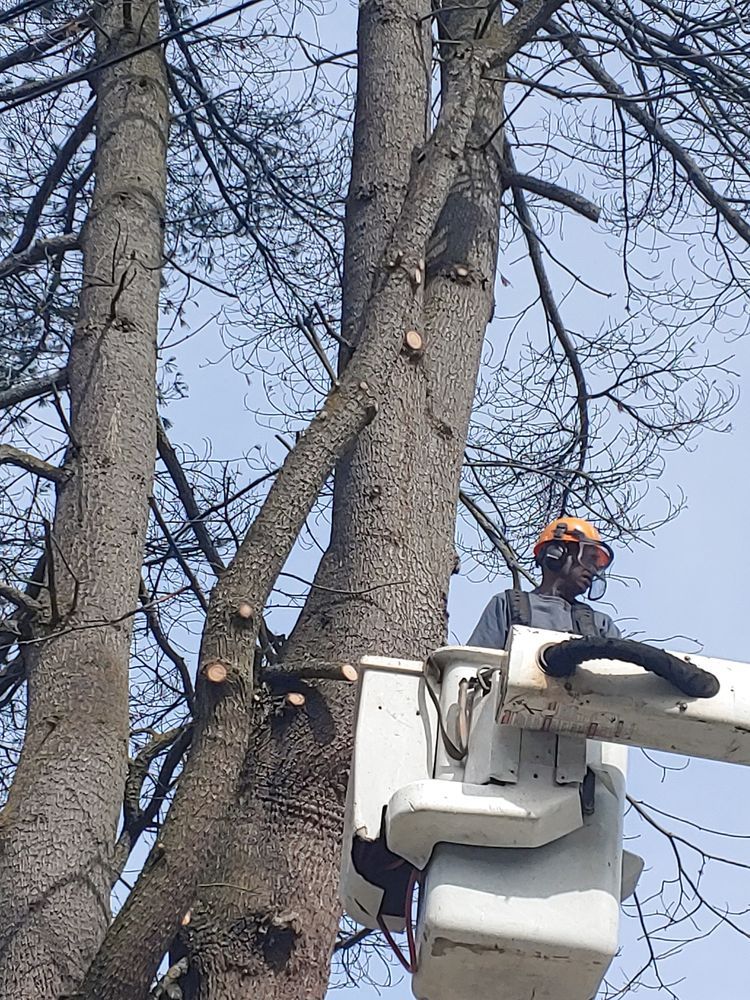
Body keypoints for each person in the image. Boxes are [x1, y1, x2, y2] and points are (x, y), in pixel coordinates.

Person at [469, 516, 621, 648]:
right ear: (557, 552)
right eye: (588, 559)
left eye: (596, 566)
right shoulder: (507, 606)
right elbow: (474, 665)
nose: (592, 571)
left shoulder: (600, 625)